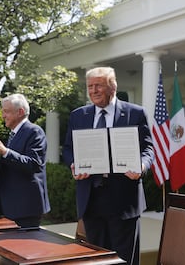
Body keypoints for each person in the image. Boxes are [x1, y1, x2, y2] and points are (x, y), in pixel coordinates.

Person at [62, 67, 154, 265]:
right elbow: (68, 149)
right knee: (97, 259)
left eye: (98, 86)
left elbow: (148, 149)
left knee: (125, 259)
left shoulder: (135, 113)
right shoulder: (78, 115)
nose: (93, 90)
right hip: (91, 198)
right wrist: (73, 164)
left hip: (124, 198)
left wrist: (142, 166)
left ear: (113, 87)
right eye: (90, 86)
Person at [0, 93, 50, 228]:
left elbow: (33, 165)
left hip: (25, 208)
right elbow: (7, 169)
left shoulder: (34, 132)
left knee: (25, 249)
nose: (2, 116)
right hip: (8, 207)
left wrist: (5, 151)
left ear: (20, 112)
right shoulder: (13, 134)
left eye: (6, 111)